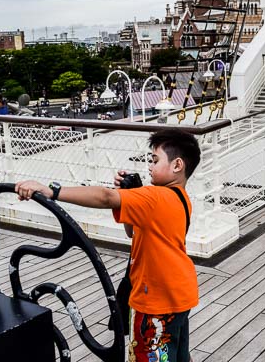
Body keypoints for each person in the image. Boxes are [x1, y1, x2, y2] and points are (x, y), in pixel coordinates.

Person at [14, 129, 200, 362]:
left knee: (150, 354)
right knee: (177, 352)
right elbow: (132, 231)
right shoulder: (179, 197)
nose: (149, 166)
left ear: (177, 165)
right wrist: (131, 193)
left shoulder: (155, 197)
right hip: (180, 295)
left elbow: (106, 197)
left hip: (155, 302)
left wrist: (52, 191)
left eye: (155, 160)